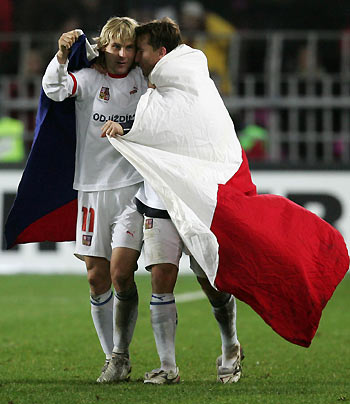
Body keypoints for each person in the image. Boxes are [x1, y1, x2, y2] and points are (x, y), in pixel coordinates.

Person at [102, 17, 243, 385]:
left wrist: (129, 131)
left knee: (211, 283)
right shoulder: (149, 85)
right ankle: (168, 367)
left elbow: (176, 128)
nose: (135, 56)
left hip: (194, 200)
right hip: (157, 198)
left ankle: (231, 347)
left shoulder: (191, 81)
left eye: (141, 49)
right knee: (161, 278)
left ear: (160, 53)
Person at [42, 17, 148, 382]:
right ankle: (114, 358)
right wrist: (60, 55)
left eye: (129, 48)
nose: (123, 54)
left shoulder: (141, 80)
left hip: (133, 187)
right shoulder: (88, 81)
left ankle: (119, 352)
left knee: (121, 272)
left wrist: (129, 128)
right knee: (95, 277)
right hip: (91, 189)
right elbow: (54, 89)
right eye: (116, 47)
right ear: (103, 47)